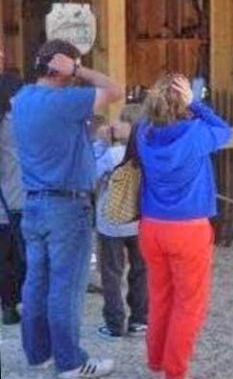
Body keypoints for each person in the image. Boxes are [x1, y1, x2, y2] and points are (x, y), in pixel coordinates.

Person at [12, 39, 123, 378]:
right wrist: (78, 68)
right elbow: (115, 89)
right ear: (63, 66)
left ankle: (38, 352)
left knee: (36, 283)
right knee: (66, 287)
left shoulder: (23, 99)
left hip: (33, 202)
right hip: (67, 204)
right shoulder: (67, 101)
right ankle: (71, 362)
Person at [137, 74, 231, 379]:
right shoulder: (197, 133)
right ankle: (175, 371)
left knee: (160, 296)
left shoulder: (143, 132)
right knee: (189, 304)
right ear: (184, 102)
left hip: (151, 226)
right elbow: (224, 131)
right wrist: (198, 104)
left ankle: (156, 361)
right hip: (188, 229)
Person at [91, 107, 148, 341]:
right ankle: (140, 320)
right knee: (140, 271)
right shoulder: (147, 152)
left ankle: (115, 324)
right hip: (139, 222)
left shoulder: (113, 155)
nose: (115, 123)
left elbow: (91, 175)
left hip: (111, 223)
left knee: (111, 274)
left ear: (129, 127)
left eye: (121, 120)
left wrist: (100, 145)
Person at [0, 60, 24, 325]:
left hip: (5, 200)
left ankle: (7, 304)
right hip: (17, 199)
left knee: (4, 257)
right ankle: (15, 301)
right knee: (19, 255)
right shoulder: (15, 121)